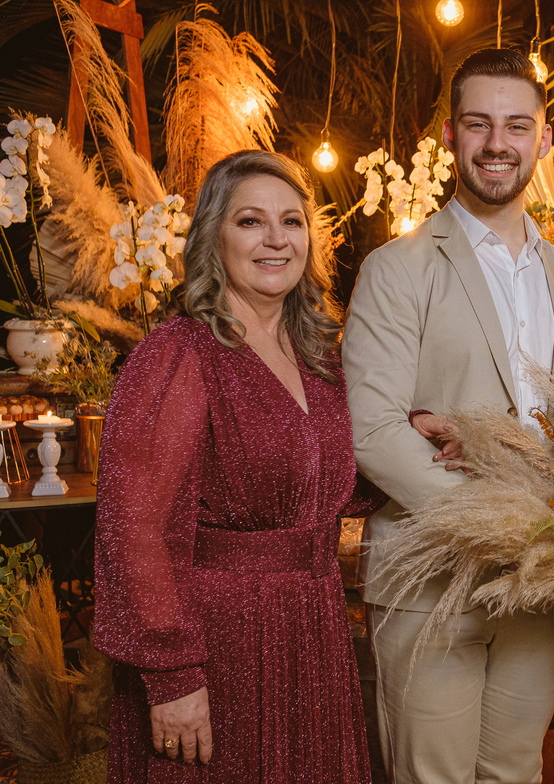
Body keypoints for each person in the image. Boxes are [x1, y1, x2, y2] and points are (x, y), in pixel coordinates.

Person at [341, 48, 554, 784]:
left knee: (516, 772)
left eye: (516, 125)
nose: (496, 143)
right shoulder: (398, 268)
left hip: (539, 583)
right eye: (478, 123)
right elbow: (373, 431)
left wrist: (549, 538)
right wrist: (506, 528)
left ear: (544, 139)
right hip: (430, 578)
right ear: (449, 134)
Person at [94, 150, 380, 783]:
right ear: (213, 238)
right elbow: (133, 526)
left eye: (291, 222)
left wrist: (414, 435)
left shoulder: (317, 357)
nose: (277, 239)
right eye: (251, 221)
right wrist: (172, 674)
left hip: (312, 625)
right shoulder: (180, 353)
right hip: (221, 637)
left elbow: (322, 481)